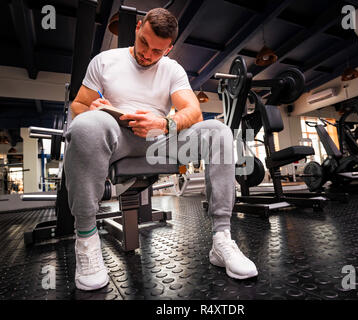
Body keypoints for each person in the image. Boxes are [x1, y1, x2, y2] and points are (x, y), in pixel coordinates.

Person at [64, 8, 258, 291]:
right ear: (138, 27)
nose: (147, 54)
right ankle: (86, 239)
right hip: (118, 135)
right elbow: (78, 105)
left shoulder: (172, 69)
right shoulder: (105, 61)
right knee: (85, 125)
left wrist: (164, 123)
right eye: (144, 43)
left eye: (158, 51)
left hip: (159, 138)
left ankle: (222, 239)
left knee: (219, 131)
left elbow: (192, 110)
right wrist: (93, 109)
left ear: (169, 48)